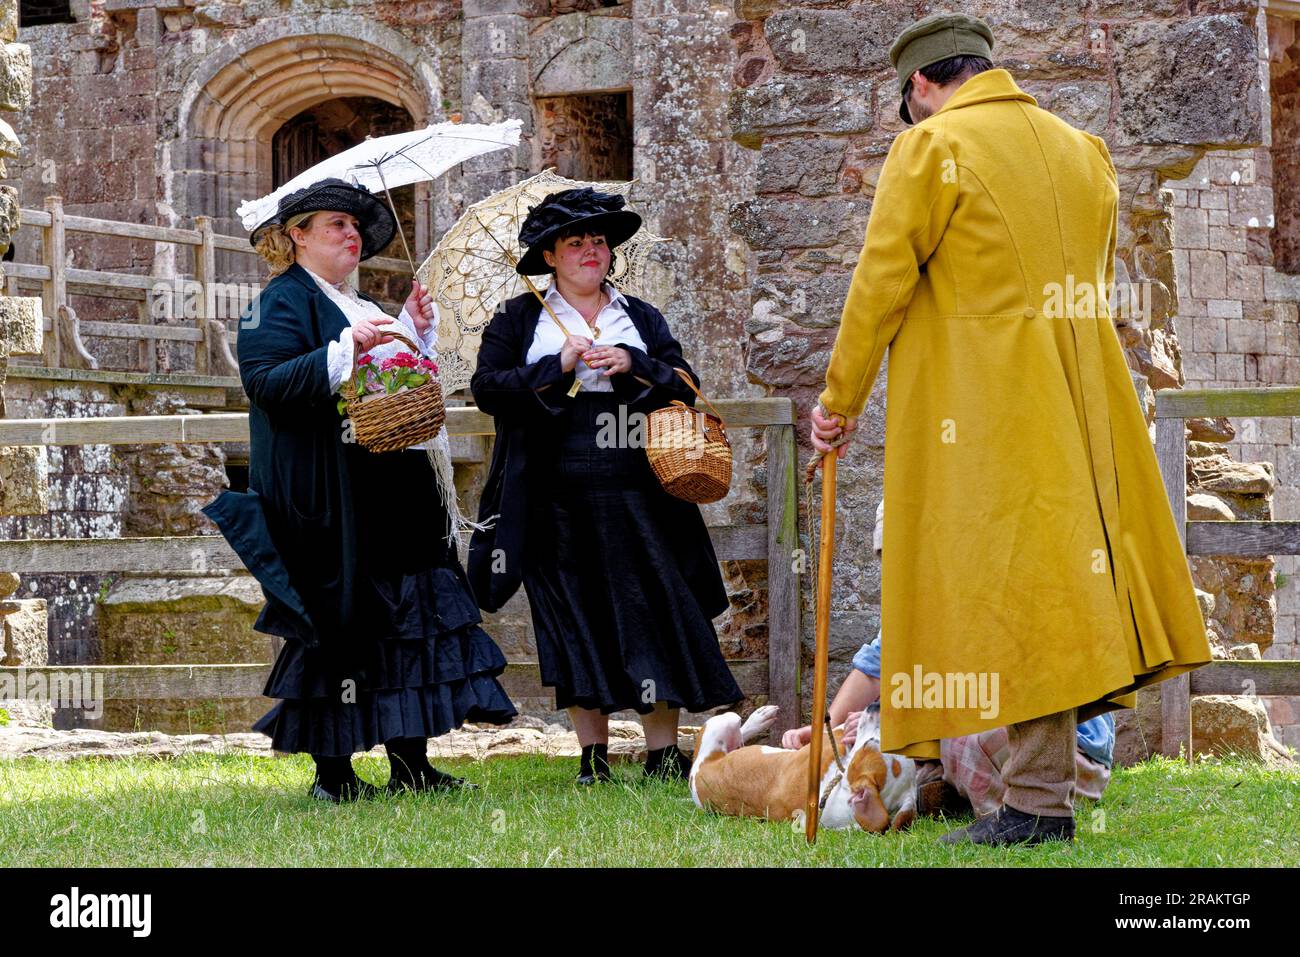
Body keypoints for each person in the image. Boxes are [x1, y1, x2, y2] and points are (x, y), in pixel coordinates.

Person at [810, 13, 1211, 845]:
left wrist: (838, 400)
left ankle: (1033, 806)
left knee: (1012, 593)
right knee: (1061, 589)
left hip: (988, 412)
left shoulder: (928, 150)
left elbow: (879, 281)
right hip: (1084, 405)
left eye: (908, 103)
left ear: (920, 84)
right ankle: (1022, 793)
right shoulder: (1081, 149)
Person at [203, 177, 516, 803]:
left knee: (409, 618)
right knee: (339, 622)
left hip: (394, 490)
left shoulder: (359, 302)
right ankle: (334, 775)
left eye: (354, 228)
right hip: (329, 496)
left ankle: (411, 763)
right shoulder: (276, 303)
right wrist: (345, 347)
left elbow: (391, 384)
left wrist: (407, 330)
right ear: (297, 236)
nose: (351, 236)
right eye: (335, 226)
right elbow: (265, 383)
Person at [468, 187, 742, 784]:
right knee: (571, 611)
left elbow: (683, 380)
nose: (592, 251)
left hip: (640, 483)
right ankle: (592, 757)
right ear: (548, 257)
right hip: (552, 488)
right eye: (576, 243)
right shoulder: (519, 319)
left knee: (653, 602)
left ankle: (662, 753)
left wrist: (631, 363)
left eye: (600, 242)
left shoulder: (638, 317)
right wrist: (557, 366)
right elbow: (487, 388)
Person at [781, 501, 1116, 819]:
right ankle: (940, 787)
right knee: (891, 747)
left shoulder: (996, 593)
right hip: (968, 741)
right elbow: (874, 669)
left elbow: (989, 695)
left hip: (1061, 755)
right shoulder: (918, 606)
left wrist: (894, 717)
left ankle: (1002, 797)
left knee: (961, 738)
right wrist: (828, 729)